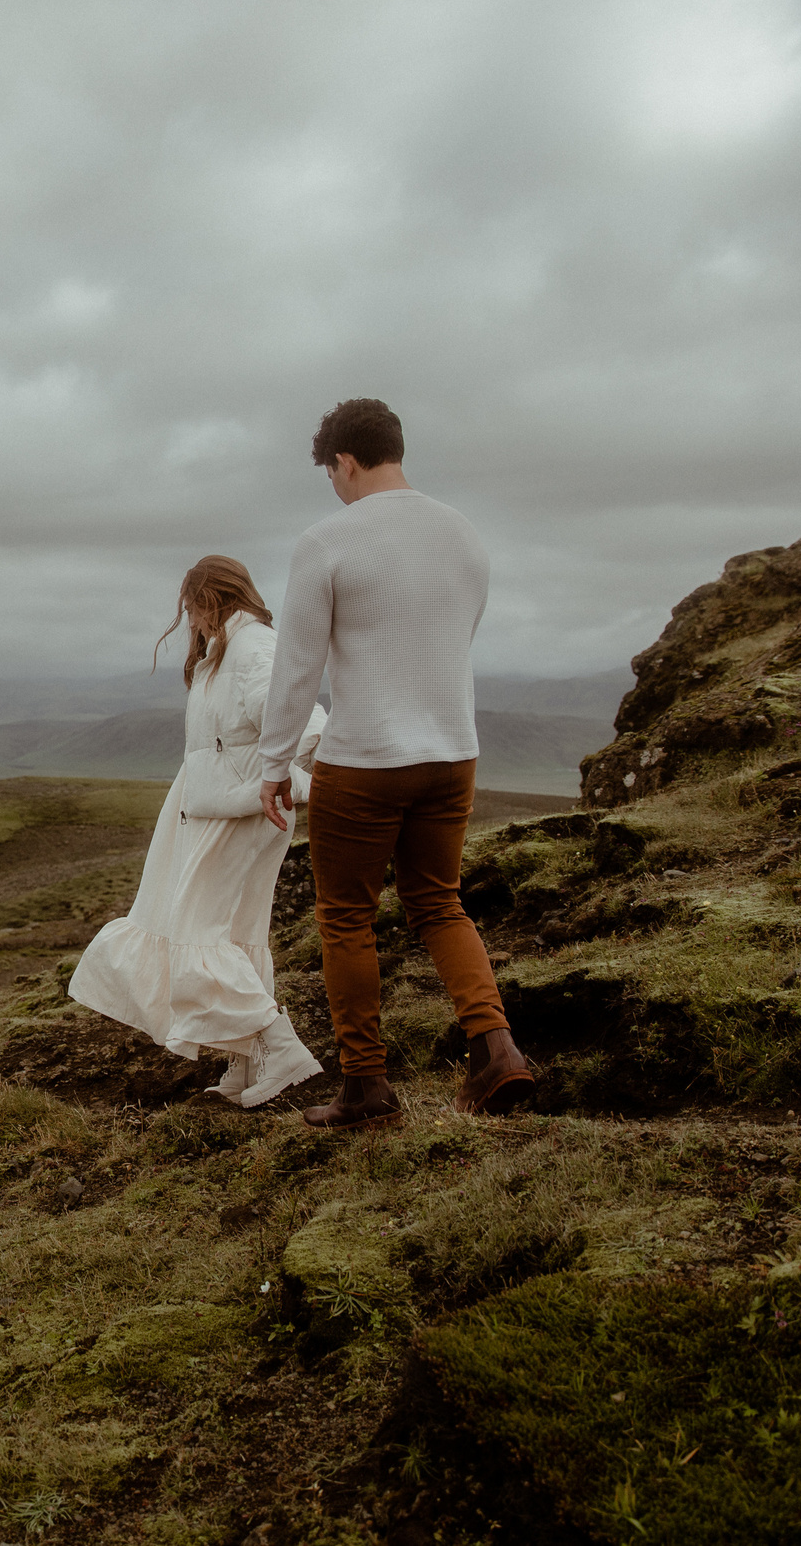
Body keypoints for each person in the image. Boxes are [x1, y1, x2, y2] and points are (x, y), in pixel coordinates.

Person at [254, 399, 536, 1128]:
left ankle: (366, 1088)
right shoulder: (464, 534)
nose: (335, 486)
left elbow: (297, 668)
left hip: (366, 760)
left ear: (345, 461)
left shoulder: (327, 541)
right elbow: (458, 633)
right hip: (453, 753)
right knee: (439, 902)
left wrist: (274, 762)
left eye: (332, 474)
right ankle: (498, 1052)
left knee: (347, 917)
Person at [68, 556, 327, 1108]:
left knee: (196, 934)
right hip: (219, 808)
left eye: (192, 607)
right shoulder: (229, 650)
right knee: (227, 934)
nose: (190, 620)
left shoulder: (254, 648)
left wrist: (273, 780)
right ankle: (246, 1056)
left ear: (212, 599)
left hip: (237, 814)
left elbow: (305, 725)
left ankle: (279, 1049)